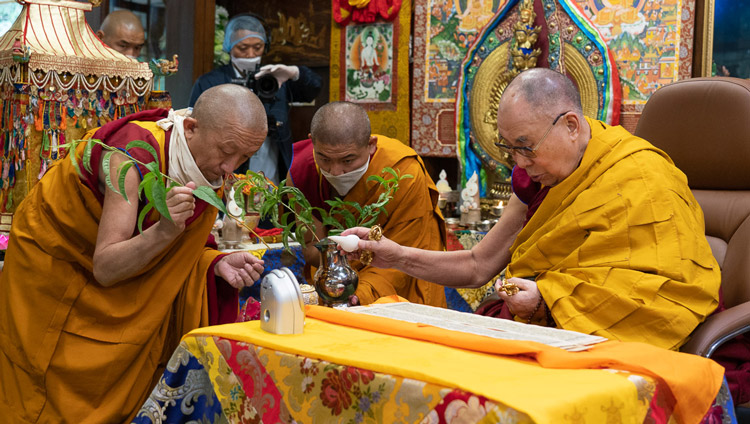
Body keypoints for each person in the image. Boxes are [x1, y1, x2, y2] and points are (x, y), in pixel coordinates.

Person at [343, 68, 721, 350]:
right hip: (547, 331)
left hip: (612, 340)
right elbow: (478, 265)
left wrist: (547, 299)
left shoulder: (643, 176)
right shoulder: (537, 181)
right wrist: (395, 255)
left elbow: (668, 291)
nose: (518, 163)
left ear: (571, 125)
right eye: (510, 148)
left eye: (526, 146)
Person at [0, 84, 267, 423]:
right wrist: (167, 230)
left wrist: (214, 263)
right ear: (190, 128)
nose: (231, 167)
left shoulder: (203, 166)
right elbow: (106, 266)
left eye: (245, 157)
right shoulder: (129, 157)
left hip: (123, 287)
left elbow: (185, 247)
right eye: (227, 151)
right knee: (45, 393)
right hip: (54, 274)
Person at [288, 101, 447, 307]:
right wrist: (337, 283)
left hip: (393, 288)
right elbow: (311, 247)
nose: (335, 171)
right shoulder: (303, 170)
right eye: (324, 158)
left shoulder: (403, 173)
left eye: (347, 160)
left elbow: (405, 253)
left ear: (371, 145)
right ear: (312, 143)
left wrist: (359, 293)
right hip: (334, 286)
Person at [189, 14, 322, 185]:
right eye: (243, 48)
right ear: (229, 47)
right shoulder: (210, 81)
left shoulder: (273, 78)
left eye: (257, 47)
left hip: (271, 161)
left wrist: (294, 72)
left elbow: (314, 88)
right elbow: (194, 124)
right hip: (229, 167)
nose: (250, 54)